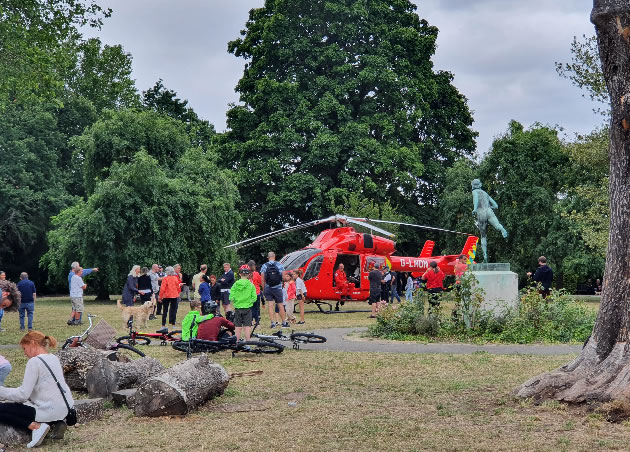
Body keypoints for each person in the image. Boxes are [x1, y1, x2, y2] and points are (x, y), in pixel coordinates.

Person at [0, 331, 74, 448]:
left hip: (47, 410)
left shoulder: (34, 362)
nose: (24, 353)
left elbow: (23, 394)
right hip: (65, 409)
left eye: (24, 348)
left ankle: (35, 426)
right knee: (17, 405)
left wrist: (2, 391)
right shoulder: (53, 358)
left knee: (3, 408)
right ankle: (56, 422)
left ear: (32, 343)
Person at [471, 179, 508, 262]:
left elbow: (476, 199)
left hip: (481, 212)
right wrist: (489, 207)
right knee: (498, 225)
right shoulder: (485, 194)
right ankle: (502, 230)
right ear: (480, 185)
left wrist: (475, 209)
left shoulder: (475, 192)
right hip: (489, 211)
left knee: (483, 236)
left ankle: (485, 257)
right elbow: (496, 205)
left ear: (473, 186)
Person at [229, 265, 257, 342]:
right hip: (247, 308)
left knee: (238, 326)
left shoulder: (235, 284)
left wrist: (236, 300)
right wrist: (249, 301)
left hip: (238, 308)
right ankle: (248, 341)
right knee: (247, 326)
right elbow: (254, 298)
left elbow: (231, 297)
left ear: (240, 274)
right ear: (249, 274)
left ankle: (237, 341)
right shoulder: (251, 285)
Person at [261, 252, 287, 328]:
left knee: (270, 305)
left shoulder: (264, 266)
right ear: (274, 257)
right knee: (280, 305)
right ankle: (284, 322)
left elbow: (262, 279)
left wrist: (264, 288)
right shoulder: (279, 265)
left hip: (268, 288)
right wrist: (281, 284)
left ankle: (272, 323)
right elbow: (284, 278)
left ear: (268, 257)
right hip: (278, 288)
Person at [248, 260, 262, 326]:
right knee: (256, 308)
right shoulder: (256, 274)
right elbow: (260, 282)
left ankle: (250, 321)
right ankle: (257, 321)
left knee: (250, 307)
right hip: (256, 292)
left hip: (249, 293)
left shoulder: (246, 274)